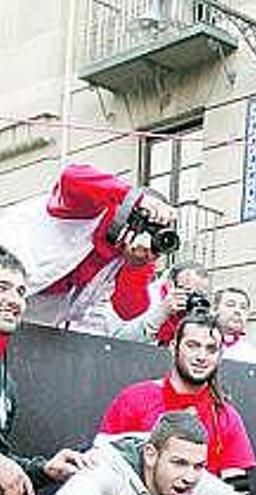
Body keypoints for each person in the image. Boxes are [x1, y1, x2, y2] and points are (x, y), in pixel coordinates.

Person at [0, 164, 176, 333]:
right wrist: (133, 197)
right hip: (8, 262)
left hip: (33, 311)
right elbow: (71, 176)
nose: (145, 233)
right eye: (144, 222)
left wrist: (135, 267)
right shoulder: (97, 206)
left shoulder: (136, 253)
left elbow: (129, 310)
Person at [97, 312, 256, 488]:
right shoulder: (134, 399)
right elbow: (102, 464)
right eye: (192, 346)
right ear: (174, 347)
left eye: (211, 349)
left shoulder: (226, 416)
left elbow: (237, 485)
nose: (201, 356)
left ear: (220, 355)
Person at [0, 246, 93, 495]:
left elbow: (5, 464)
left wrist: (45, 470)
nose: (13, 300)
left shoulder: (6, 382)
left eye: (20, 292)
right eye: (2, 288)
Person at [56, 411, 235, 494]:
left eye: (198, 466)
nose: (190, 477)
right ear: (151, 454)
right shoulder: (104, 471)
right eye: (179, 463)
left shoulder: (195, 478)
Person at [111, 260, 211, 344]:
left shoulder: (199, 312)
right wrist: (161, 314)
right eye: (188, 291)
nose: (194, 299)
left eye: (200, 295)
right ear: (170, 285)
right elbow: (117, 341)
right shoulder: (145, 299)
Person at [214, 287, 256, 364]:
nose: (238, 311)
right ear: (215, 309)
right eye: (230, 305)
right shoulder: (199, 346)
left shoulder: (253, 357)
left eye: (243, 307)